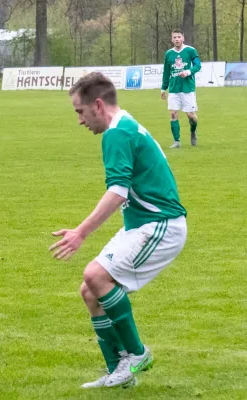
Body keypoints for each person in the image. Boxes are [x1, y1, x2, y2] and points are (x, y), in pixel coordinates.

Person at [50, 72, 187, 389]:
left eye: (79, 112)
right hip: (143, 223)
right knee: (89, 290)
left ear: (97, 105)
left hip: (161, 225)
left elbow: (118, 192)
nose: (80, 121)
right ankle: (119, 373)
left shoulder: (117, 133)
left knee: (96, 275)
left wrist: (81, 232)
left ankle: (137, 355)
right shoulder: (123, 125)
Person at [161, 29, 201, 148]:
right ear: (171, 39)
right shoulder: (168, 54)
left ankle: (193, 131)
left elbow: (198, 65)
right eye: (174, 37)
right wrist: (163, 88)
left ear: (183, 38)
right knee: (173, 114)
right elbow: (166, 72)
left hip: (187, 88)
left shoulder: (190, 51)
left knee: (191, 116)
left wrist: (188, 71)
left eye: (179, 37)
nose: (177, 39)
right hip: (174, 89)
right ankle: (177, 141)